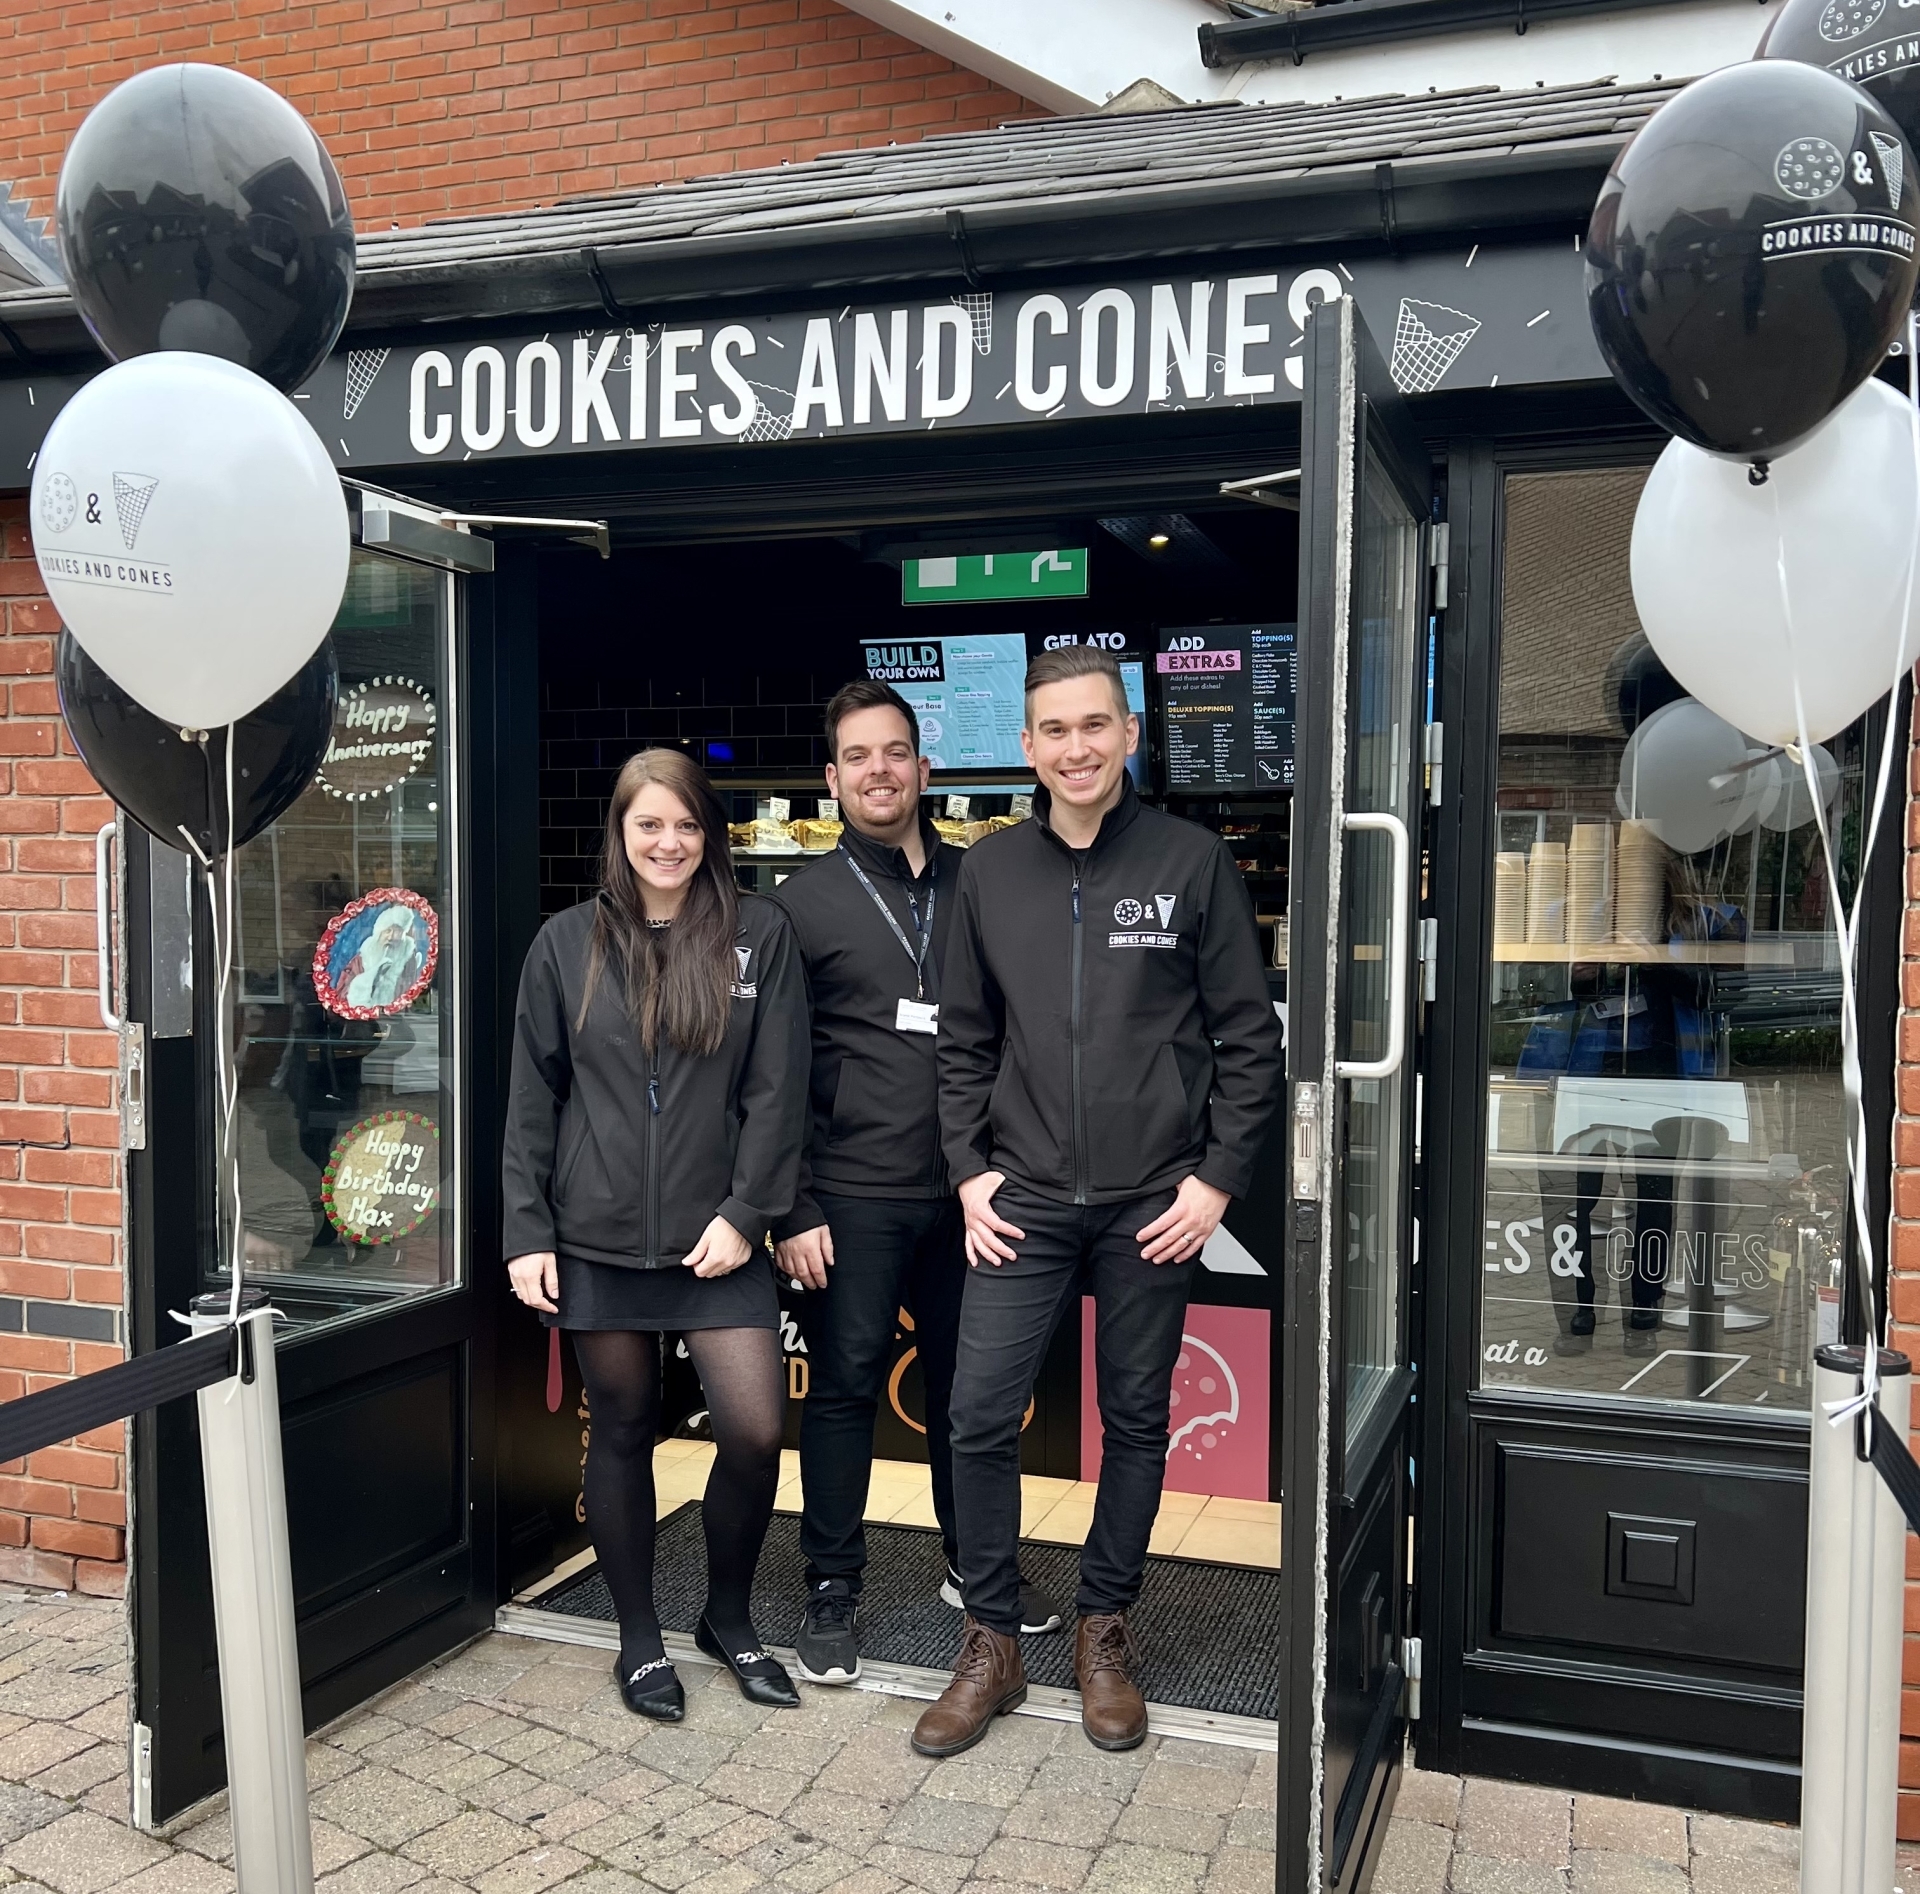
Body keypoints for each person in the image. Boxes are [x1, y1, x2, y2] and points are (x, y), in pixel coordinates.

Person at [913, 645, 1282, 1758]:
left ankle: (1103, 1631)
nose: (1076, 748)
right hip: (1019, 1198)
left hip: (1147, 1206)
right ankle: (990, 1639)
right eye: (1054, 731)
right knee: (977, 1416)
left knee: (1134, 1421)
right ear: (1026, 748)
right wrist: (970, 1169)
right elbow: (964, 1040)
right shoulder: (990, 873)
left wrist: (1215, 1179)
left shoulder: (1192, 860)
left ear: (1128, 735)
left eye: (1094, 726)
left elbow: (1249, 1042)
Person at [502, 748, 810, 1721]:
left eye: (686, 825)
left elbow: (777, 1091)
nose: (669, 842)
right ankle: (639, 1639)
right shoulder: (565, 944)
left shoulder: (759, 934)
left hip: (718, 1241)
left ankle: (727, 1615)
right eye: (650, 825)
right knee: (624, 1429)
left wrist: (746, 1213)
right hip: (593, 1240)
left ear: (709, 832)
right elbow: (531, 1102)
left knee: (755, 1430)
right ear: (621, 834)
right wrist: (526, 1232)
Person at [771, 680, 1061, 1687]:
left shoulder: (984, 881)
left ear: (924, 766)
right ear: (834, 777)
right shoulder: (796, 909)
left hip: (973, 1189)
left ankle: (974, 1571)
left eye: (895, 752)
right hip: (851, 1194)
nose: (880, 772)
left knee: (971, 1396)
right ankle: (831, 1585)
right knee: (846, 1388)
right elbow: (772, 1073)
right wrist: (793, 1203)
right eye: (859, 756)